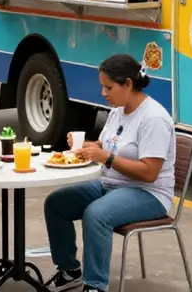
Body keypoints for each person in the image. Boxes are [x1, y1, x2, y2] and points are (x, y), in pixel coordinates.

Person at [43, 54, 176, 292]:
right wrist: (87, 146)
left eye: (108, 87)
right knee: (56, 203)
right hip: (111, 185)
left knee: (96, 214)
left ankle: (95, 286)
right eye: (102, 86)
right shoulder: (117, 111)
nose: (103, 93)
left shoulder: (153, 118)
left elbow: (150, 172)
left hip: (148, 193)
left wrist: (107, 158)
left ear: (127, 84)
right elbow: (106, 145)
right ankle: (69, 269)